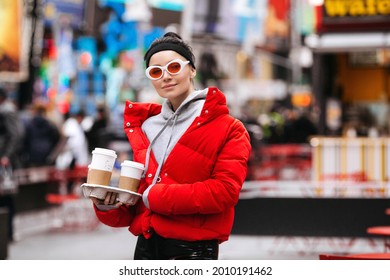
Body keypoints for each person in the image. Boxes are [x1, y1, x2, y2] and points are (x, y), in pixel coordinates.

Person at [90, 32, 251, 260]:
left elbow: (224, 192)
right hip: (146, 246)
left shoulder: (230, 128)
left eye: (174, 67)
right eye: (156, 72)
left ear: (192, 70)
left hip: (193, 250)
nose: (165, 77)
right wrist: (111, 204)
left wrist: (155, 196)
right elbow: (140, 198)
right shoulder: (146, 126)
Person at [0, 87, 24, 242]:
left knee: (6, 197)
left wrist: (6, 156)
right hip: (5, 159)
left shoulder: (7, 111)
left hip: (5, 161)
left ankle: (8, 231)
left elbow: (15, 135)